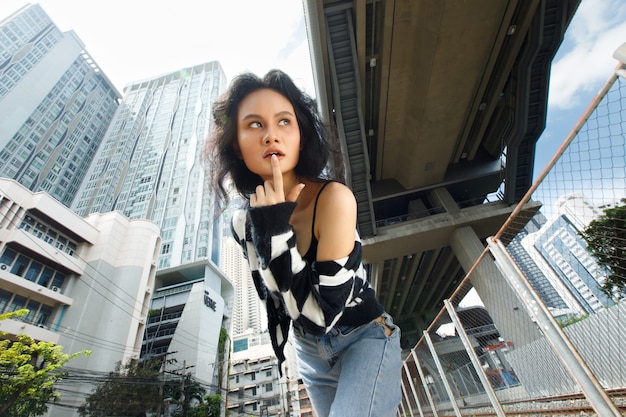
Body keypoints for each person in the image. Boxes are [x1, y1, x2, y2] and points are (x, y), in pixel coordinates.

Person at [209, 69, 401, 417]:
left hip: (363, 338)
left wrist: (276, 229)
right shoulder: (243, 223)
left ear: (300, 136)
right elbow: (275, 298)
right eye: (254, 124)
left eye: (284, 121)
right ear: (236, 145)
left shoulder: (335, 200)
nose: (270, 136)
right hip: (309, 353)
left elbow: (321, 316)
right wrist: (267, 226)